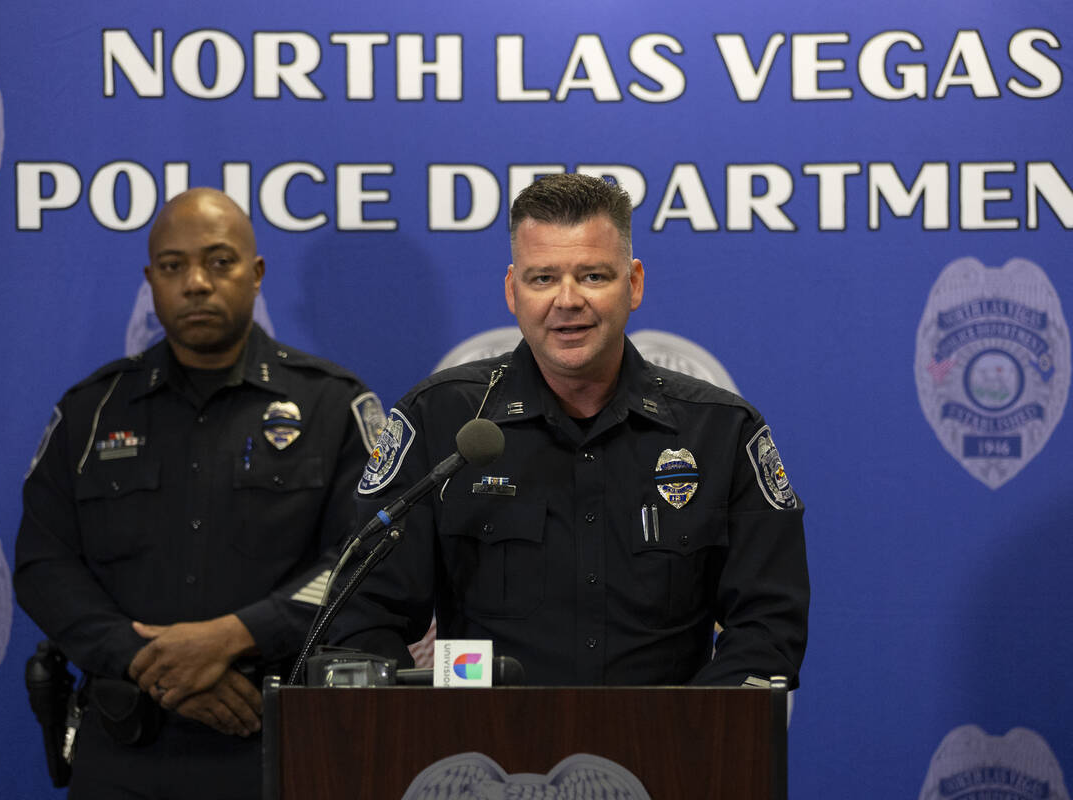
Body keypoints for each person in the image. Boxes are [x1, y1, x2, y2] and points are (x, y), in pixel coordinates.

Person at [345, 173, 808, 686]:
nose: (567, 300)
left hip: (668, 752)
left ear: (633, 284)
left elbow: (769, 625)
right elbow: (363, 615)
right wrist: (421, 725)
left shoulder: (720, 430)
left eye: (592, 276)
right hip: (483, 750)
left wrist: (691, 735)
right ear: (512, 291)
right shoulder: (441, 419)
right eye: (542, 278)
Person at [14, 188, 382, 798]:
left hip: (278, 741)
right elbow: (43, 563)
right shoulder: (91, 412)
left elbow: (362, 560)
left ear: (256, 273)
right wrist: (145, 661)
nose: (196, 283)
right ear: (150, 280)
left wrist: (237, 634)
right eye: (173, 266)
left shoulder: (332, 404)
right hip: (125, 746)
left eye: (219, 261)